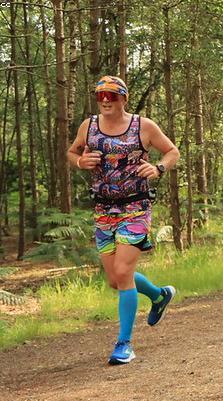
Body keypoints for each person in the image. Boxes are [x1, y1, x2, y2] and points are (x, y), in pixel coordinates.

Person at [66, 75, 179, 365]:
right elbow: (72, 151)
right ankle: (158, 295)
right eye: (101, 95)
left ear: (124, 99)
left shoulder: (143, 126)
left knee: (124, 272)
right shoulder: (88, 126)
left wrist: (158, 168)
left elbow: (171, 151)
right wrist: (80, 161)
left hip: (136, 208)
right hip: (103, 210)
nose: (105, 100)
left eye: (112, 95)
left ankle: (124, 343)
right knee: (115, 280)